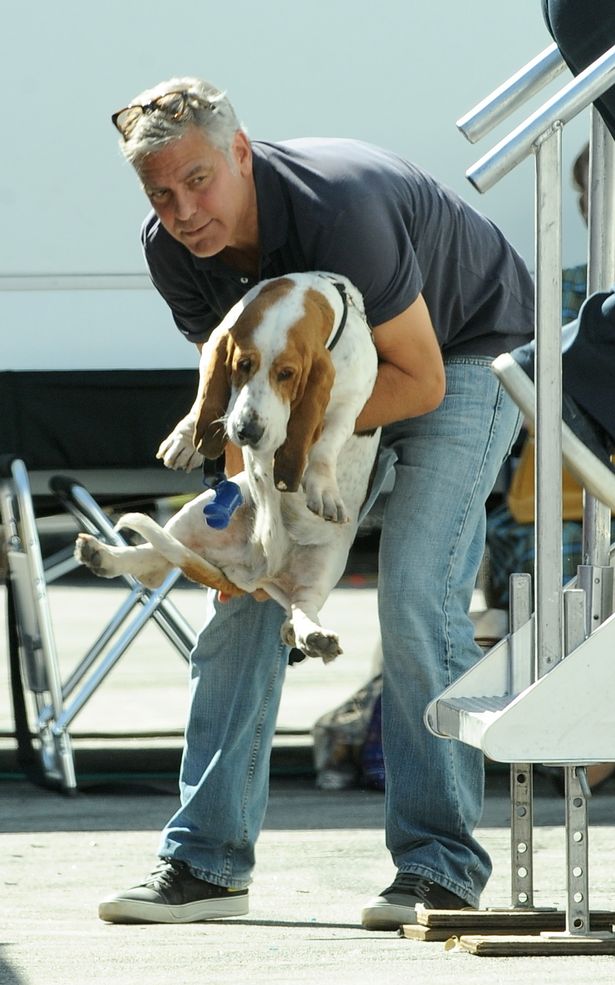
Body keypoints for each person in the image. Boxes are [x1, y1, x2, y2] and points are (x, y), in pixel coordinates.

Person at [99, 76, 532, 929]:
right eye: (160, 193)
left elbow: (418, 380)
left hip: (457, 355)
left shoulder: (339, 211)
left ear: (241, 153)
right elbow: (236, 397)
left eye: (197, 181)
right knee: (244, 597)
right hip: (317, 393)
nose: (182, 209)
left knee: (415, 591)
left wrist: (300, 445)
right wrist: (236, 519)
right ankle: (204, 862)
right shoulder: (170, 248)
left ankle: (438, 865)